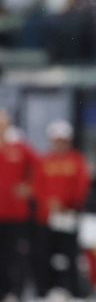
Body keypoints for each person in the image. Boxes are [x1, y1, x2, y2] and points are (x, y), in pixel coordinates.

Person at [32, 120, 90, 298]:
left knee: (70, 255)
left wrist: (66, 203)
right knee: (45, 253)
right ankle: (44, 289)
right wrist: (48, 202)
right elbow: (38, 186)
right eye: (57, 140)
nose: (60, 144)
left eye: (63, 140)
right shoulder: (44, 161)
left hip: (68, 215)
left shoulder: (77, 161)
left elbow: (82, 186)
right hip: (47, 215)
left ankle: (72, 289)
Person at [0, 110, 37, 300]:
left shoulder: (18, 147)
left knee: (16, 254)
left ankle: (17, 291)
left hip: (15, 213)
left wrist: (29, 187)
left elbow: (38, 167)